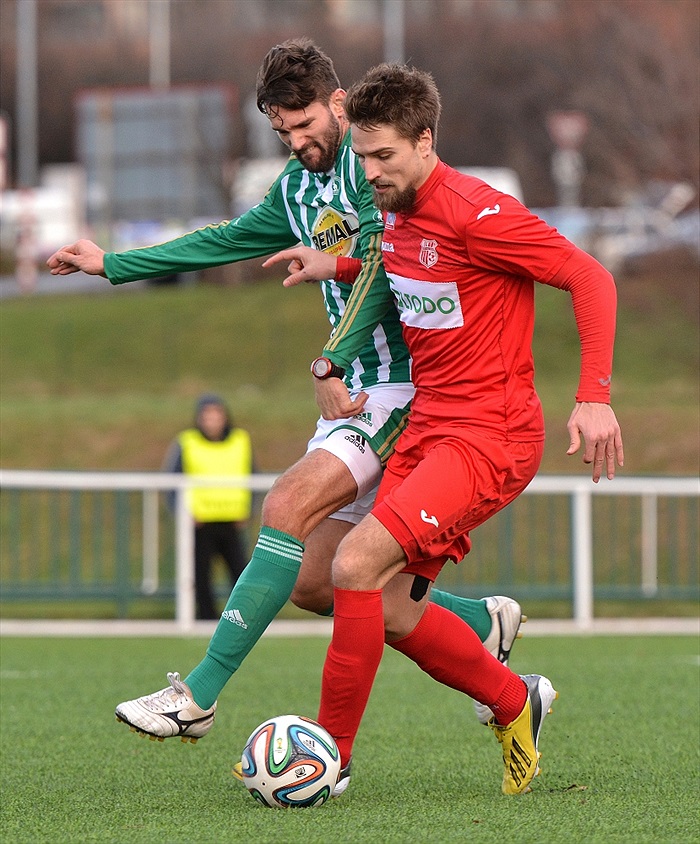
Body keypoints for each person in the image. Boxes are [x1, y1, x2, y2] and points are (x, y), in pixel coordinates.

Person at [46, 41, 526, 751]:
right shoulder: (296, 190)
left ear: (338, 103)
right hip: (351, 390)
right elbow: (227, 239)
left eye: (304, 124)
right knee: (314, 581)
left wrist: (330, 349)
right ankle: (481, 626)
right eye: (281, 131)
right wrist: (114, 263)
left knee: (285, 505)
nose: (296, 141)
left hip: (403, 391)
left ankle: (198, 696)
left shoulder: (376, 173)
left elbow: (387, 269)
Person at [266, 63, 623, 796]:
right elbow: (380, 274)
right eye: (360, 156)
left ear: (426, 140)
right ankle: (513, 699)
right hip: (426, 425)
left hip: (489, 436)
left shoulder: (478, 211)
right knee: (327, 584)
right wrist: (331, 310)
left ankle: (330, 759)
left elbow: (591, 277)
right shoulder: (390, 210)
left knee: (357, 566)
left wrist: (594, 396)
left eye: (384, 156)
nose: (368, 172)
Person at [165, 394, 253, 620]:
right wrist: (183, 513)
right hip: (200, 521)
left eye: (216, 416)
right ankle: (206, 618)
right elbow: (171, 483)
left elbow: (253, 477)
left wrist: (249, 509)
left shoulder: (240, 440)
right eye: (207, 417)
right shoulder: (187, 442)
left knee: (242, 573)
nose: (212, 422)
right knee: (200, 575)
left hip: (232, 520)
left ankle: (243, 618)